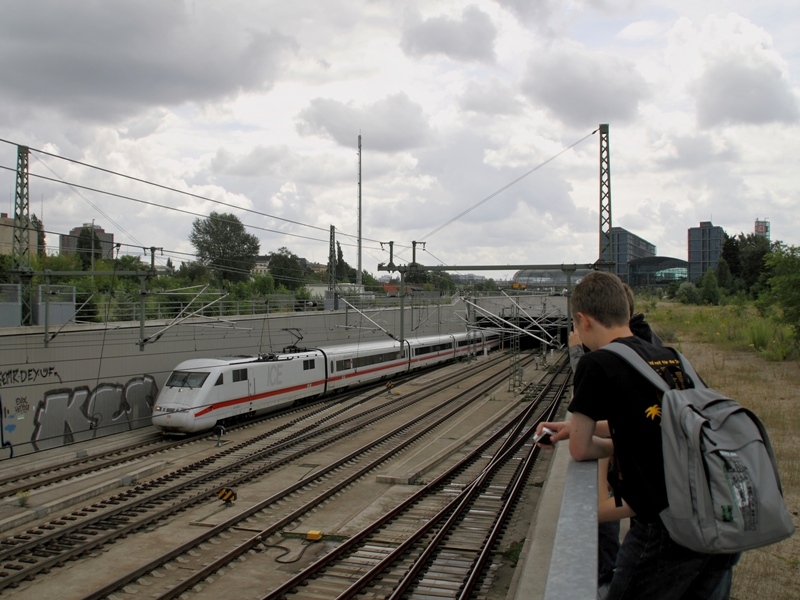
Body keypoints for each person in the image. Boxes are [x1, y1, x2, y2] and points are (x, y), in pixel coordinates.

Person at [540, 271, 739, 600]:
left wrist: (584, 436)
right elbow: (654, 423)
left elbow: (581, 449)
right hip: (722, 516)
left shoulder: (595, 364)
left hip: (670, 531)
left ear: (582, 320)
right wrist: (574, 429)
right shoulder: (669, 356)